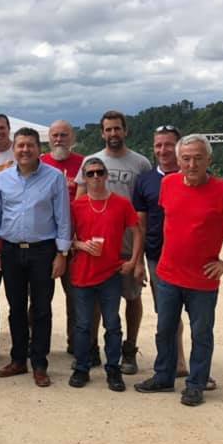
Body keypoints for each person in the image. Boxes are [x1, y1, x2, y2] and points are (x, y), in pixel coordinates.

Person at [135, 135, 223, 407]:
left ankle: (196, 383)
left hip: (203, 279)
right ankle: (164, 376)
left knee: (201, 333)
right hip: (167, 274)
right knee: (165, 330)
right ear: (178, 160)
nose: (191, 164)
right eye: (186, 158)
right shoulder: (168, 184)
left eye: (198, 158)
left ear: (209, 160)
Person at [0, 128, 71, 387]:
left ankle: (39, 363)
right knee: (16, 309)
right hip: (11, 251)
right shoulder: (3, 180)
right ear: (14, 148)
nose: (25, 150)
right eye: (20, 145)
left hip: (42, 251)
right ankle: (18, 360)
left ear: (39, 148)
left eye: (30, 145)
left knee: (42, 309)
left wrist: (62, 254)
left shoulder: (54, 178)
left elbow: (63, 218)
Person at [75, 110, 152, 373]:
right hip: (97, 241)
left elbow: (144, 209)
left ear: (125, 130)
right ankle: (94, 349)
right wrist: (78, 243)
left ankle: (129, 349)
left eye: (117, 128)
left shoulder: (140, 163)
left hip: (128, 241)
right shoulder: (91, 161)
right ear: (102, 132)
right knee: (97, 298)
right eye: (108, 129)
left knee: (132, 296)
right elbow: (79, 204)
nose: (113, 134)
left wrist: (138, 259)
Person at [132, 125, 210, 384]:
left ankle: (198, 372)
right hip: (158, 258)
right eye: (158, 145)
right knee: (167, 316)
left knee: (200, 321)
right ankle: (175, 362)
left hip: (196, 261)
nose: (162, 150)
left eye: (168, 145)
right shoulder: (144, 181)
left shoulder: (201, 178)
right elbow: (140, 226)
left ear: (177, 150)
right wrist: (139, 261)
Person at [68, 157, 143, 391]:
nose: (96, 177)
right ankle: (82, 367)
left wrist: (133, 261)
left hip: (111, 273)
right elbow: (65, 238)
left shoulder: (121, 204)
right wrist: (80, 246)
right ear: (84, 177)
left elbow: (137, 232)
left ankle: (113, 369)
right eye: (90, 174)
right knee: (82, 325)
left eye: (100, 172)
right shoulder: (76, 206)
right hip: (82, 273)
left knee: (112, 323)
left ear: (106, 175)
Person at [40, 119, 84, 353]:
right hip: (46, 238)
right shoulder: (39, 163)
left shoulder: (84, 163)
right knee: (39, 297)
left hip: (76, 238)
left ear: (72, 138)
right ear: (49, 139)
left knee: (75, 295)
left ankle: (75, 343)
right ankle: (38, 343)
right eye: (55, 135)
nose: (59, 139)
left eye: (64, 135)